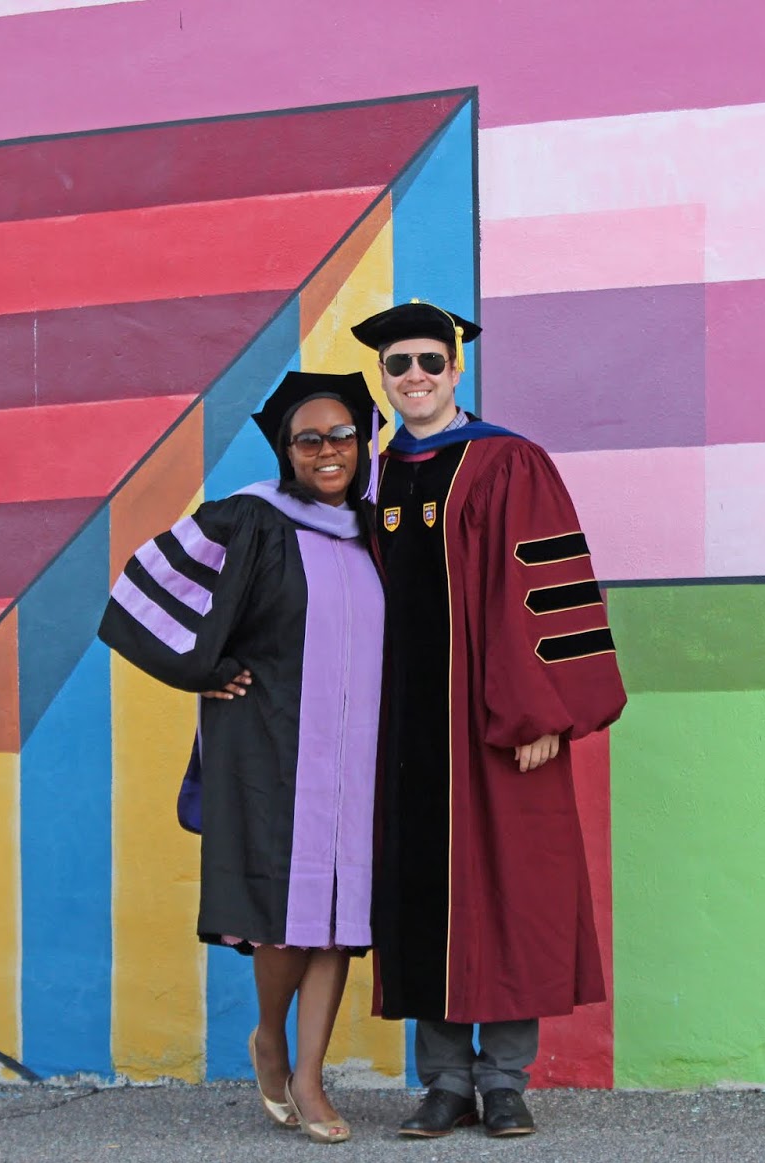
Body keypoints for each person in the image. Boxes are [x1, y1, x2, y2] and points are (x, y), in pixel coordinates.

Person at [349, 302, 628, 1138]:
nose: (416, 377)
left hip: (496, 720)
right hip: (404, 727)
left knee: (510, 890)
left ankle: (503, 1080)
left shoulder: (507, 461)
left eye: (430, 361)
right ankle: (444, 1082)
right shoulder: (372, 474)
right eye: (399, 364)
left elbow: (541, 589)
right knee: (420, 895)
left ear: (456, 367)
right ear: (384, 376)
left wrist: (542, 711)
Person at [98, 370, 385, 1145]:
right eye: (308, 439)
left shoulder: (376, 529)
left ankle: (310, 1076)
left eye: (342, 435)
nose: (328, 450)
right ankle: (269, 1036)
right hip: (271, 743)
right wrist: (205, 670)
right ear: (287, 451)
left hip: (359, 749)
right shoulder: (252, 518)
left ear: (362, 443)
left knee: (339, 915)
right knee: (284, 915)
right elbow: (139, 594)